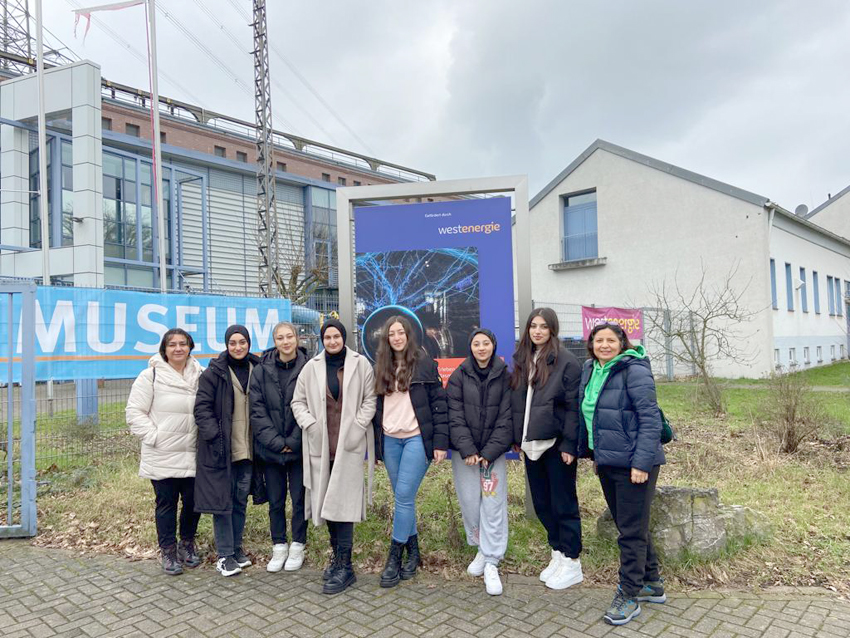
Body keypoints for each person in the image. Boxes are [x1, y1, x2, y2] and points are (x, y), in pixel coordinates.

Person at [577, 323, 666, 626]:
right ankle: (651, 582)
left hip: (634, 464)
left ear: (622, 342)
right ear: (591, 344)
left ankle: (628, 595)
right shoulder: (591, 369)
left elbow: (649, 418)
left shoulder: (634, 369)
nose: (604, 345)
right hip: (608, 461)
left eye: (610, 340)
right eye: (598, 340)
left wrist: (640, 464)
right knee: (631, 524)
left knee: (629, 532)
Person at [291, 319, 377, 594]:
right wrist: (310, 424)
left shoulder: (361, 364)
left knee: (345, 505)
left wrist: (358, 427)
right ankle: (336, 558)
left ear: (343, 338)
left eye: (336, 336)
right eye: (327, 337)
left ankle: (346, 565)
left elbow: (370, 400)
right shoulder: (311, 367)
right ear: (322, 340)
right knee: (327, 502)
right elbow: (298, 402)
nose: (332, 341)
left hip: (348, 444)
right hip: (321, 445)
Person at [510, 307, 583, 590]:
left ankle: (572, 561)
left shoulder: (566, 361)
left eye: (543, 326)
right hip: (531, 445)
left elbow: (572, 407)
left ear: (552, 329)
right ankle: (558, 553)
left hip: (556, 445)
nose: (537, 331)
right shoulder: (524, 359)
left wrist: (569, 443)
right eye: (533, 326)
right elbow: (519, 403)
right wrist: (519, 436)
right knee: (542, 504)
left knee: (563, 504)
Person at [373, 315, 448, 588]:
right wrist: (376, 446)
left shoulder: (424, 362)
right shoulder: (380, 366)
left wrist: (440, 442)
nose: (396, 337)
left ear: (408, 335)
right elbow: (376, 411)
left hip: (417, 439)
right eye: (391, 333)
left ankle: (394, 556)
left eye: (400, 332)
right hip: (391, 440)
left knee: (403, 496)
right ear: (386, 338)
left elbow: (439, 404)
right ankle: (414, 552)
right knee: (403, 498)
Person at [126, 328, 204, 576]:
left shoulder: (201, 375)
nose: (178, 348)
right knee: (166, 504)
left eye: (183, 343)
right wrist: (154, 437)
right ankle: (168, 551)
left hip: (193, 452)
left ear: (190, 347)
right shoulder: (150, 376)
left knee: (193, 503)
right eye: (172, 344)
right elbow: (134, 412)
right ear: (164, 349)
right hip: (162, 453)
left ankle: (187, 544)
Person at [446, 328, 512, 595]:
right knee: (471, 502)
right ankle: (481, 549)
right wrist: (469, 449)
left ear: (493, 346)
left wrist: (489, 452)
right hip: (467, 457)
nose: (481, 348)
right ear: (470, 347)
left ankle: (492, 560)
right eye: (476, 343)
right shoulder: (458, 377)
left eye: (486, 343)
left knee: (493, 504)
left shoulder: (505, 377)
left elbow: (507, 417)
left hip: (492, 458)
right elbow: (455, 415)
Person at [194, 324, 261, 577]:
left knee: (240, 500)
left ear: (248, 343)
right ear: (226, 345)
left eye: (242, 342)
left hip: (249, 451)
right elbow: (201, 408)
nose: (238, 347)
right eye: (232, 343)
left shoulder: (257, 369)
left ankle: (236, 548)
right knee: (223, 503)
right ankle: (224, 556)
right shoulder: (214, 373)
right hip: (223, 450)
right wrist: (214, 436)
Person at [250, 321, 309, 573]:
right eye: (280, 338)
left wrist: (293, 441)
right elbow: (257, 409)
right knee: (275, 501)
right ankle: (279, 545)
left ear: (297, 338)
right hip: (270, 450)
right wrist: (276, 442)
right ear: (275, 341)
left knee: (299, 499)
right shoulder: (261, 371)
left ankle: (298, 545)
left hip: (300, 448)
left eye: (289, 337)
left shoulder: (309, 368)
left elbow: (312, 406)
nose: (285, 342)